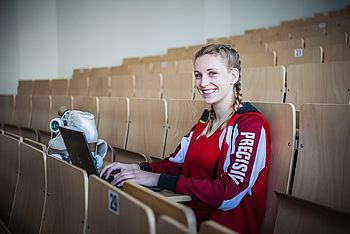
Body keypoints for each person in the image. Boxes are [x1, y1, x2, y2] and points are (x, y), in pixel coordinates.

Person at [100, 44, 271, 234]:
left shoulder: (251, 125)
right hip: (188, 217)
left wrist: (158, 180)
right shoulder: (206, 119)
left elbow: (229, 194)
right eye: (198, 75)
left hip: (223, 227)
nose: (203, 82)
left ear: (233, 76)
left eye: (212, 73)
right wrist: (137, 168)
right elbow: (177, 164)